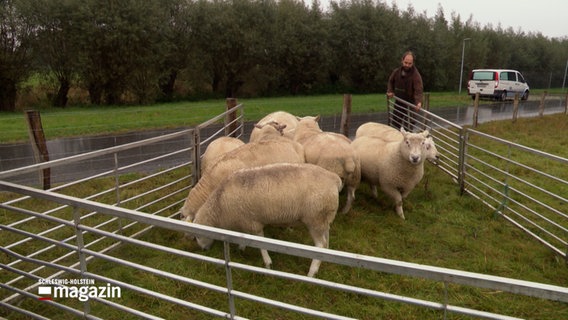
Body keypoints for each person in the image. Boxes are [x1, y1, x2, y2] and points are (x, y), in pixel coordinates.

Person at [386, 51, 423, 131]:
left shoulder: (415, 75)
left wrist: (418, 102)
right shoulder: (396, 72)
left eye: (410, 63)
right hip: (399, 102)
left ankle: (406, 142)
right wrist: (390, 90)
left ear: (412, 63)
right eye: (405, 62)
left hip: (410, 103)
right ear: (402, 60)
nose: (407, 65)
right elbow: (391, 81)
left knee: (408, 128)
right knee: (395, 125)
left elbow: (418, 89)